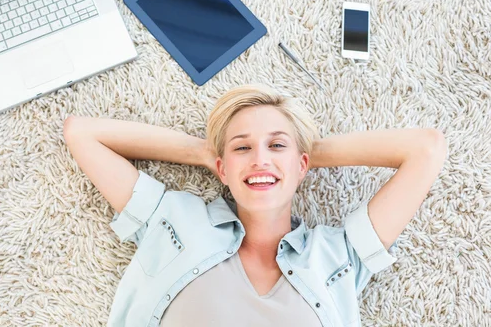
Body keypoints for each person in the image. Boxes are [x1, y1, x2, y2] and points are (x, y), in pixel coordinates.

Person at [63, 84, 447, 327]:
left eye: (275, 145)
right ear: (222, 169)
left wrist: (302, 155)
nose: (260, 159)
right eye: (243, 147)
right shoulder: (176, 221)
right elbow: (82, 134)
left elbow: (426, 148)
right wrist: (208, 153)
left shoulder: (336, 257)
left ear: (303, 166)